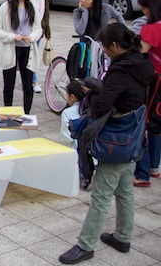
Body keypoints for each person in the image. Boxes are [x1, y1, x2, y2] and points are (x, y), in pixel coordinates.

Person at [59, 23, 154, 265]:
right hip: (134, 135)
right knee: (124, 190)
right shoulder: (142, 61)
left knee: (101, 194)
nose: (103, 50)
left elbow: (101, 106)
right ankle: (122, 236)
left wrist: (90, 92)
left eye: (104, 46)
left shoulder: (120, 71)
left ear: (113, 46)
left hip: (117, 140)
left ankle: (85, 244)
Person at [0, 0, 42, 114]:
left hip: (28, 48)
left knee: (28, 84)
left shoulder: (31, 5)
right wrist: (12, 37)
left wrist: (31, 37)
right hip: (12, 48)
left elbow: (38, 28)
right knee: (9, 84)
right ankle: (7, 112)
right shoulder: (6, 7)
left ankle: (27, 113)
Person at [133, 0, 161, 187]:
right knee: (157, 124)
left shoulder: (151, 29)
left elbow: (141, 55)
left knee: (144, 121)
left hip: (153, 80)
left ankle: (142, 174)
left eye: (144, 8)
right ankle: (154, 168)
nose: (143, 12)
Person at [29, 0, 51, 93]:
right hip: (28, 31)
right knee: (29, 56)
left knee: (34, 56)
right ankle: (31, 79)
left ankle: (33, 80)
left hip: (38, 31)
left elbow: (46, 16)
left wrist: (48, 33)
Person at [60, 79, 85, 150]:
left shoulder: (67, 113)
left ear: (72, 97)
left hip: (76, 152)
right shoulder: (90, 108)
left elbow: (66, 137)